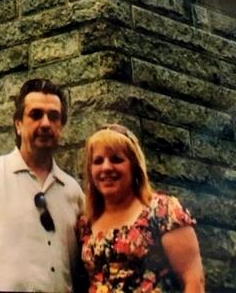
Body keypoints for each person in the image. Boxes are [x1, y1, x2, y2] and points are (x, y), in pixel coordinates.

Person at [0, 78, 84, 292]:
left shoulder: (73, 192)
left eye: (54, 116)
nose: (46, 123)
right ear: (18, 123)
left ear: (62, 126)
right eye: (36, 115)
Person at [78, 124, 205, 292]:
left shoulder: (163, 211)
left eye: (116, 159)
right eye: (98, 161)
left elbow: (193, 279)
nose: (106, 167)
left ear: (134, 166)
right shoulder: (87, 223)